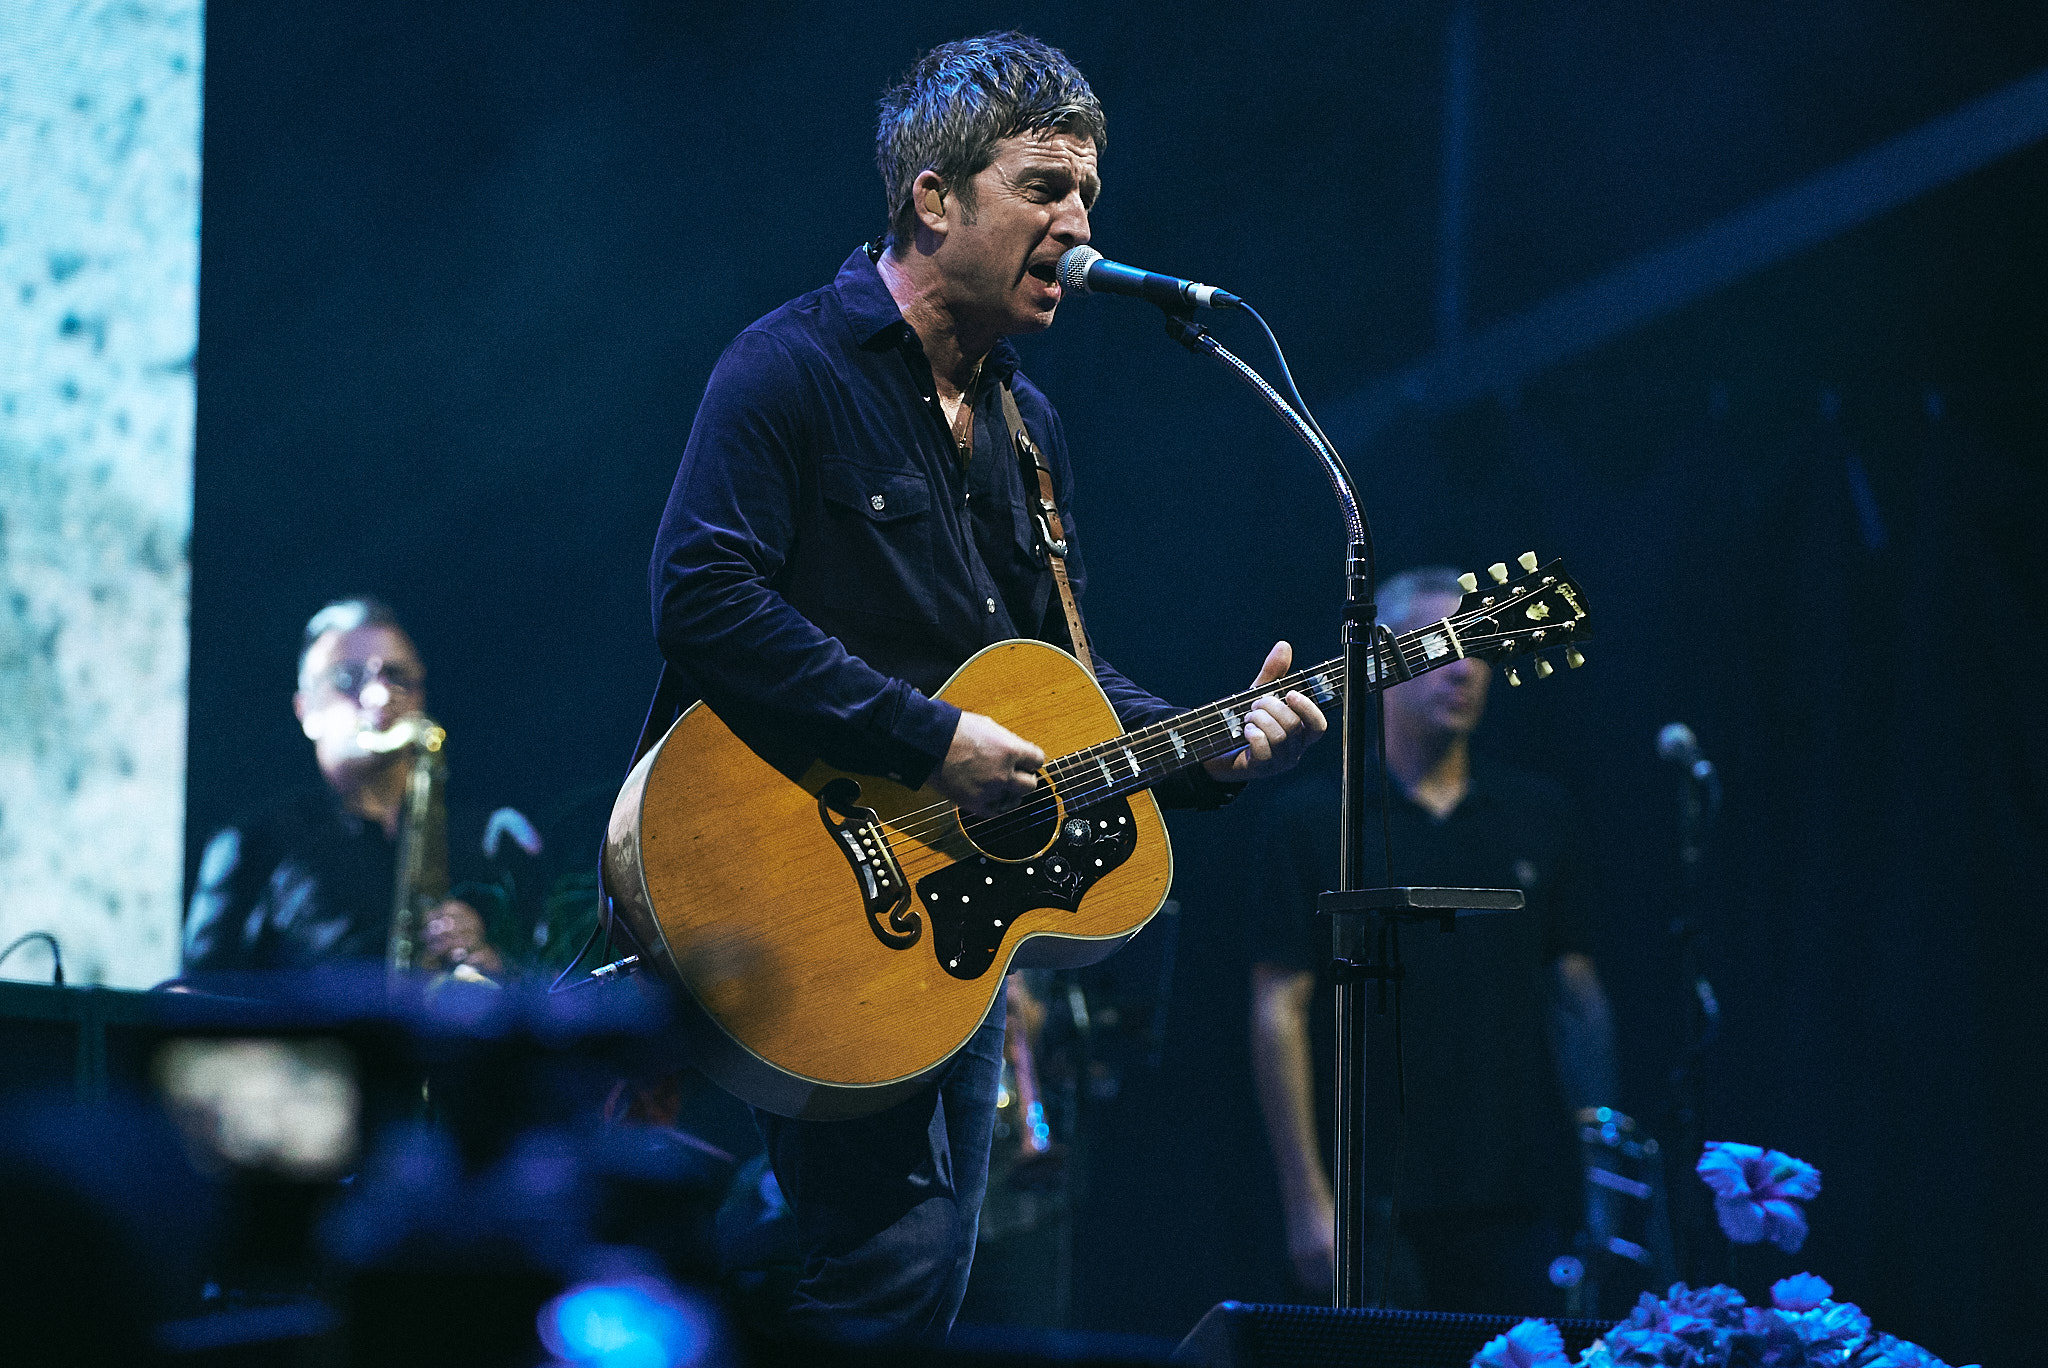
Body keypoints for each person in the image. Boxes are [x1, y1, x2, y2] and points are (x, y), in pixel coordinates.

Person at [646, 32, 1325, 1338]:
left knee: (909, 1279)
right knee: (888, 1266)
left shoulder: (1029, 425)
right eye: (1045, 188)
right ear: (933, 197)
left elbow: (1058, 673)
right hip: (790, 872)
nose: (1079, 227)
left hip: (941, 916)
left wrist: (1209, 746)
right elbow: (701, 596)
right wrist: (929, 738)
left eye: (1088, 196)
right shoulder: (790, 367)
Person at [1247, 566, 1618, 1314]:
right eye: (1440, 645)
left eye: (1479, 646)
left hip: (1518, 1194)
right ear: (1381, 664)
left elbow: (1576, 997)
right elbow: (1278, 1008)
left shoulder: (1538, 814)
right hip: (1368, 1195)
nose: (1465, 667)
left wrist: (1601, 1170)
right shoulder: (1314, 822)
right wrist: (1307, 1199)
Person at [183, 597, 520, 977]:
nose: (380, 695)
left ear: (420, 696)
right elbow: (194, 999)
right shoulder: (251, 845)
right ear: (305, 710)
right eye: (348, 678)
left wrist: (490, 964)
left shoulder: (486, 843)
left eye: (396, 675)